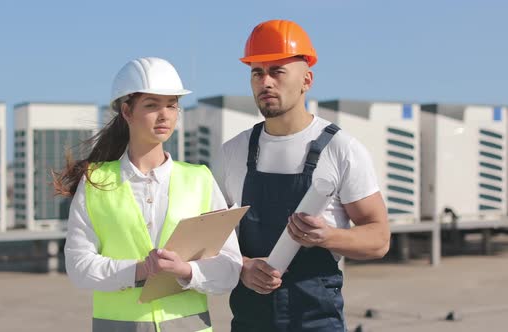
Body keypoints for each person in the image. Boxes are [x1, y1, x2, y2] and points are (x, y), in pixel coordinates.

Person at [219, 20, 390, 331]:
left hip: (316, 320)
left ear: (306, 80)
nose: (265, 82)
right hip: (249, 319)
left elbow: (379, 238)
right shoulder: (233, 152)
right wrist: (242, 267)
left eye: (277, 71)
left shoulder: (341, 149)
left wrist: (328, 236)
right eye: (257, 73)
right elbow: (214, 237)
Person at [54, 57, 242, 332]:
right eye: (152, 105)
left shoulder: (199, 179)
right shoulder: (95, 181)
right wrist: (140, 271)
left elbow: (229, 268)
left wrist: (186, 271)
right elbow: (79, 265)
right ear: (127, 112)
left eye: (172, 105)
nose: (164, 115)